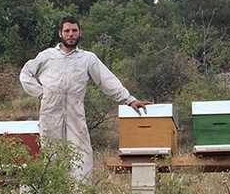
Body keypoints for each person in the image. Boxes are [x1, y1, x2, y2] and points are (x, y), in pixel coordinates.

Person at [19, 15, 151, 182]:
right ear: (60, 33)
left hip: (75, 111)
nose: (71, 34)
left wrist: (129, 99)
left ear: (80, 32)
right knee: (51, 153)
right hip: (50, 111)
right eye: (67, 31)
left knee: (82, 152)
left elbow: (107, 81)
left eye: (74, 30)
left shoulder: (88, 58)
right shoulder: (47, 56)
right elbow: (25, 74)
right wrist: (40, 93)